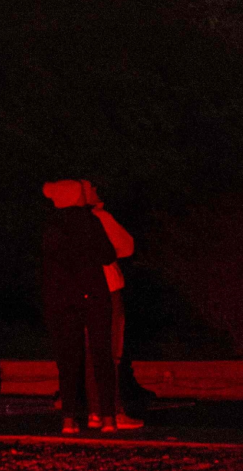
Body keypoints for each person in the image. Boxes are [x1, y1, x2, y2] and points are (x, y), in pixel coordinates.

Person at [40, 180, 117, 435]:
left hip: (64, 298)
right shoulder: (90, 221)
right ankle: (107, 417)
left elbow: (49, 263)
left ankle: (69, 420)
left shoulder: (52, 225)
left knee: (68, 358)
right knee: (101, 354)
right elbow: (108, 254)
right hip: (94, 292)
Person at [79, 181, 143, 431]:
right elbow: (127, 245)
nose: (96, 190)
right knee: (110, 352)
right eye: (91, 188)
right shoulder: (100, 217)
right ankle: (112, 412)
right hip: (106, 287)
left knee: (91, 353)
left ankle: (96, 411)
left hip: (82, 291)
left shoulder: (67, 223)